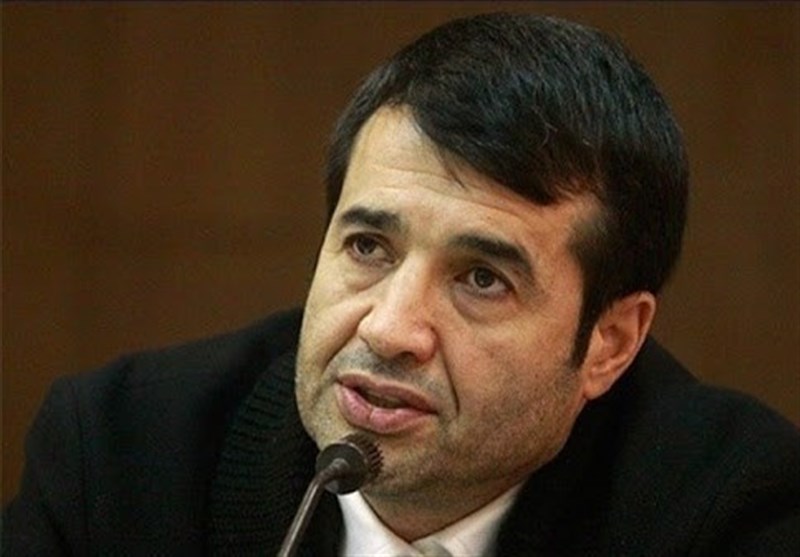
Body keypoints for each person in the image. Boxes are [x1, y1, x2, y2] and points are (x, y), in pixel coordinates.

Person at [4, 12, 799, 557]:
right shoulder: (122, 453)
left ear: (609, 342)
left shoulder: (726, 508)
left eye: (481, 278)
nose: (388, 329)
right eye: (368, 247)